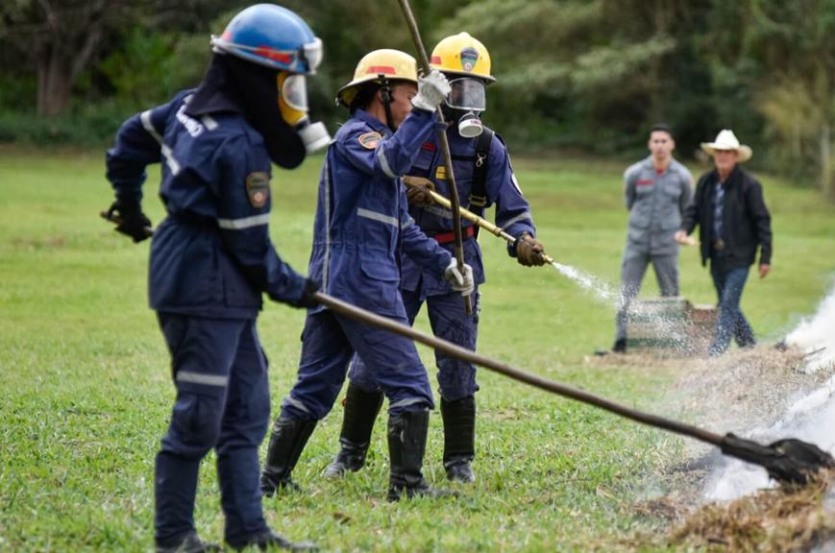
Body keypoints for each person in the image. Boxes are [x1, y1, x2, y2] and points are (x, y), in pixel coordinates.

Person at [103, 4, 328, 551]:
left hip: (216, 280)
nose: (292, 94)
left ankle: (247, 529)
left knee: (247, 408)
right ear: (256, 76)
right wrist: (298, 288)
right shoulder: (238, 144)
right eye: (287, 81)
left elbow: (132, 138)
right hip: (202, 280)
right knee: (200, 414)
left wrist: (128, 204)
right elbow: (251, 246)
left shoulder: (186, 108)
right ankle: (174, 535)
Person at [321, 32, 547, 485]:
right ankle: (350, 452)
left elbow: (514, 208)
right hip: (399, 259)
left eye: (476, 90)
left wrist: (523, 238)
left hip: (458, 265)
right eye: (457, 87)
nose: (466, 100)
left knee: (458, 362)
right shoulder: (407, 130)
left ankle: (458, 460)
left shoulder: (488, 148)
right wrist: (405, 187)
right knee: (373, 357)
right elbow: (376, 170)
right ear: (437, 86)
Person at [260, 48, 475, 502]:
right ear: (382, 93)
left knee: (314, 387)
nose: (416, 100)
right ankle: (408, 485)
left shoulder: (385, 149)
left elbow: (404, 230)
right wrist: (423, 111)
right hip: (361, 280)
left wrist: (446, 265)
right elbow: (392, 161)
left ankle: (271, 479)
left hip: (336, 282)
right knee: (411, 386)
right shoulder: (359, 139)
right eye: (409, 93)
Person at [674, 129, 772, 357]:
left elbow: (762, 221)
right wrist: (684, 230)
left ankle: (716, 353)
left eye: (727, 152)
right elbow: (693, 211)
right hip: (714, 255)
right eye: (719, 152)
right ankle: (751, 349)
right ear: (714, 154)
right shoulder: (706, 182)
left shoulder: (749, 185)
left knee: (727, 304)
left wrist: (765, 256)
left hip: (740, 256)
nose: (723, 156)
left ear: (736, 156)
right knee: (730, 305)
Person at [612, 124, 693, 354]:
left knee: (670, 292)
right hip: (637, 242)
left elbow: (687, 207)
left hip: (666, 245)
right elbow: (629, 202)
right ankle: (621, 341)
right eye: (655, 141)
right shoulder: (635, 173)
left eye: (664, 141)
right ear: (649, 144)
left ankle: (672, 341)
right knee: (627, 291)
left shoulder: (682, 176)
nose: (660, 146)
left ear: (672, 144)